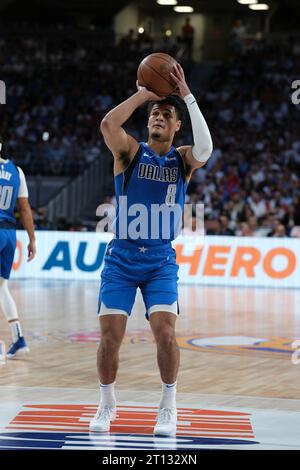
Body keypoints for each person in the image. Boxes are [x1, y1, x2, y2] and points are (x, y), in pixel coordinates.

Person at [89, 63, 213, 436]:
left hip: (160, 259)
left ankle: (167, 406)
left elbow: (206, 148)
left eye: (167, 114)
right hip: (122, 257)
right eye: (155, 114)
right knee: (110, 337)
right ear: (148, 123)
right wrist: (144, 95)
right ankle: (106, 402)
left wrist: (187, 95)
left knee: (164, 332)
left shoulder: (182, 160)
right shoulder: (129, 152)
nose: (159, 116)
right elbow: (109, 126)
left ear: (177, 127)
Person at [0, 142, 36, 358]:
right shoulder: (16, 171)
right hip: (9, 235)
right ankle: (18, 338)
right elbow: (24, 208)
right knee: (2, 288)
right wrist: (32, 239)